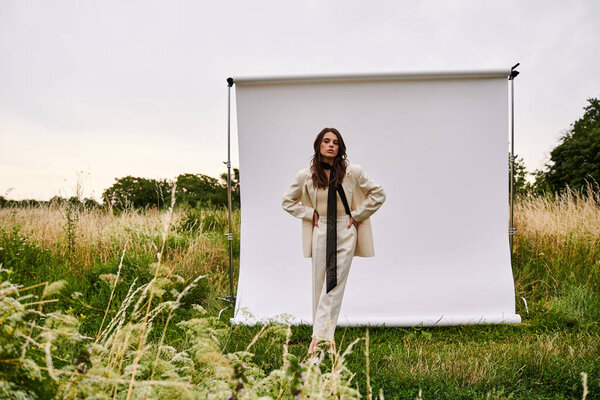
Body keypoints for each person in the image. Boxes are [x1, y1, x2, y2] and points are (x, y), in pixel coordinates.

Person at [281, 127, 386, 359]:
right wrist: (309, 213)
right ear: (318, 145)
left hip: (345, 229)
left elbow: (378, 193)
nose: (331, 145)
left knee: (334, 283)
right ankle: (328, 340)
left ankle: (315, 341)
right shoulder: (305, 175)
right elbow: (287, 201)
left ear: (340, 147)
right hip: (321, 229)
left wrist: (357, 215)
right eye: (326, 141)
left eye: (335, 142)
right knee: (320, 286)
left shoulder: (352, 171)